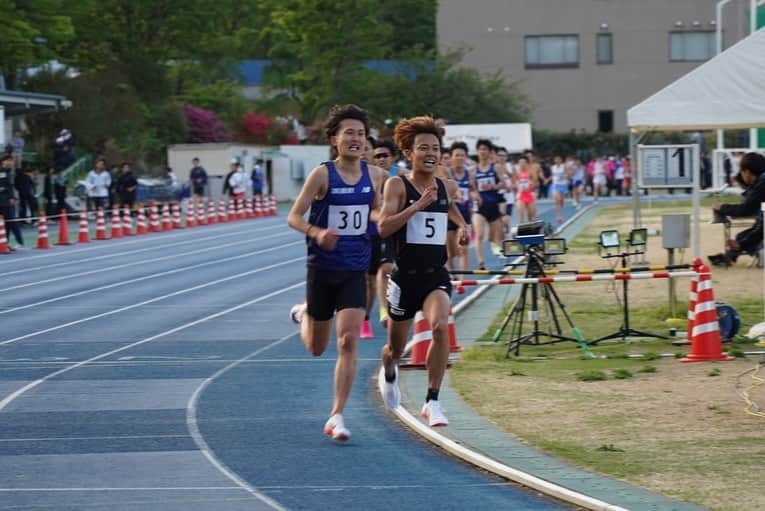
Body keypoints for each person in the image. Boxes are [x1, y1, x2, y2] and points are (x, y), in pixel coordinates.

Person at [287, 104, 385, 442]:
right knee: (317, 347)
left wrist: (381, 219)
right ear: (334, 140)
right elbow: (294, 216)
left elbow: (377, 213)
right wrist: (316, 233)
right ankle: (304, 315)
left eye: (361, 134)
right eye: (349, 133)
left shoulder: (376, 177)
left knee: (348, 340)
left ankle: (337, 414)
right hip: (322, 269)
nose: (356, 139)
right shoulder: (322, 175)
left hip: (355, 269)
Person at [376, 115, 469, 427]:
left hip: (434, 275)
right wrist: (417, 205)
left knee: (441, 327)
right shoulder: (397, 185)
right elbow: (383, 227)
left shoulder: (446, 186)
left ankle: (432, 400)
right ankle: (388, 369)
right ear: (409, 153)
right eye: (423, 148)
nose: (431, 153)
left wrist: (463, 224)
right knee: (395, 349)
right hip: (405, 278)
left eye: (435, 148)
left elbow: (448, 203)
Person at [709, 152, 765, 267]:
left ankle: (733, 254)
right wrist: (742, 243)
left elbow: (745, 209)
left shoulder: (762, 185)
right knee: (745, 235)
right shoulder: (761, 182)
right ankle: (731, 255)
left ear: (747, 172)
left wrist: (722, 207)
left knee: (747, 235)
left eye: (742, 171)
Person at [372, 140, 399, 327]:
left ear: (394, 158)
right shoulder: (372, 179)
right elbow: (370, 209)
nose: (380, 159)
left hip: (404, 228)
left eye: (384, 155)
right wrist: (381, 217)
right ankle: (384, 309)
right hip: (381, 230)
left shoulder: (404, 176)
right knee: (383, 269)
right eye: (377, 156)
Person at [470, 139, 506, 269]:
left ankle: (494, 245)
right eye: (480, 149)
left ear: (490, 152)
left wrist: (492, 186)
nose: (482, 152)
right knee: (479, 235)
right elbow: (472, 189)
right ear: (477, 152)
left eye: (485, 149)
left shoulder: (495, 167)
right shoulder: (473, 170)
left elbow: (503, 184)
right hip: (479, 208)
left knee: (493, 237)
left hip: (493, 206)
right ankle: (481, 262)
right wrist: (475, 196)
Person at [447, 141, 473, 271]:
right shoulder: (446, 173)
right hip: (449, 216)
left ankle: (462, 281)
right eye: (457, 155)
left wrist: (476, 196)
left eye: (462, 155)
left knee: (463, 248)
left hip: (465, 216)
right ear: (451, 157)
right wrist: (454, 195)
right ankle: (454, 276)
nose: (460, 158)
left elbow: (473, 189)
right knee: (451, 253)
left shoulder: (470, 174)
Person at [0, 155, 24, 249]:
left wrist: (12, 197)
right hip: (4, 200)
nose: (10, 162)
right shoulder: (2, 172)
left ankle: (18, 242)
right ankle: (6, 243)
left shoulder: (8, 172)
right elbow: (5, 187)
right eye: (8, 161)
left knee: (10, 222)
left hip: (7, 200)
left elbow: (8, 187)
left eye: (11, 161)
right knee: (9, 222)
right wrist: (10, 197)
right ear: (3, 161)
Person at [515, 156, 538, 223]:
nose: (522, 164)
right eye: (520, 162)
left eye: (523, 162)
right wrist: (517, 185)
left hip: (529, 195)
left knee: (531, 216)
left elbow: (536, 182)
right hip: (521, 195)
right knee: (521, 214)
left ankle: (531, 230)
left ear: (527, 163)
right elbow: (514, 182)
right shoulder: (517, 173)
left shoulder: (531, 172)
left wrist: (530, 187)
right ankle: (522, 231)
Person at [550, 155, 569, 224]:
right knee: (557, 201)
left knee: (561, 201)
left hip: (563, 185)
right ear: (554, 160)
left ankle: (561, 206)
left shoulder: (564, 167)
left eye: (559, 159)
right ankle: (558, 216)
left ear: (561, 160)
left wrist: (564, 177)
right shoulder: (552, 167)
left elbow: (568, 174)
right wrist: (547, 180)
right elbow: (552, 175)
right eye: (556, 159)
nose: (557, 160)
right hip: (555, 185)